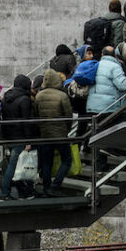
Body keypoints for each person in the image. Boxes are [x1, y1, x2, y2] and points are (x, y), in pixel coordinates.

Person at [33, 69, 73, 197]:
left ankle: (46, 187)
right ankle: (56, 185)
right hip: (60, 133)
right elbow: (68, 116)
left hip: (44, 134)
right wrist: (67, 129)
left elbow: (35, 115)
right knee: (66, 160)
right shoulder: (62, 96)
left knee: (47, 162)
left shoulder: (39, 95)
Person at [0, 74, 35, 201]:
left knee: (16, 164)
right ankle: (5, 192)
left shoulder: (6, 97)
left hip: (8, 136)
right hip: (20, 136)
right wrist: (29, 140)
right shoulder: (25, 99)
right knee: (14, 165)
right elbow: (26, 121)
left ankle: (22, 191)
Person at [87, 46, 126, 117]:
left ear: (102, 55)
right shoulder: (115, 66)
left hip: (93, 106)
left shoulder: (95, 65)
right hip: (109, 107)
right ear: (115, 55)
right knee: (124, 124)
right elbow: (123, 85)